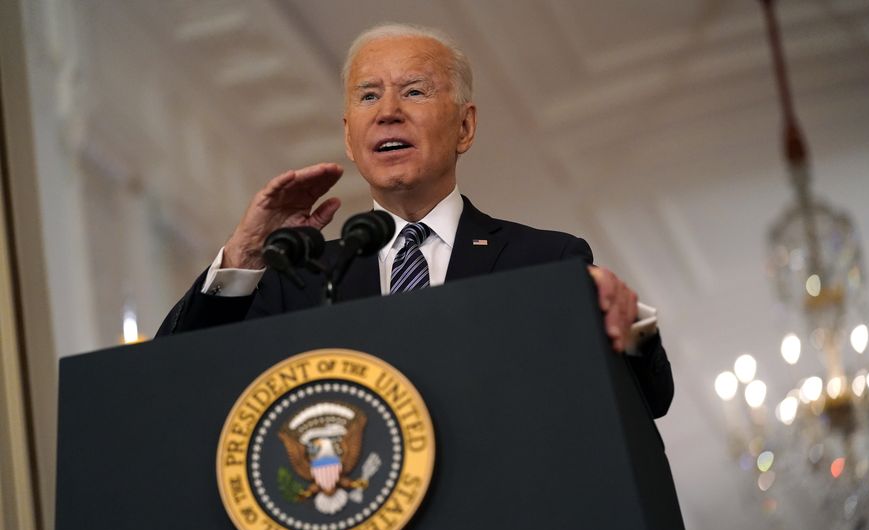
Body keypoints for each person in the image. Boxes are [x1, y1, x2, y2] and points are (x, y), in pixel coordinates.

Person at [157, 23, 673, 418]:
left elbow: (646, 399)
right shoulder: (301, 278)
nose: (387, 112)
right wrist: (245, 255)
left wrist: (629, 327)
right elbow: (173, 390)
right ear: (349, 136)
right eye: (368, 95)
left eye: (414, 91)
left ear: (465, 126)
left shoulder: (545, 260)